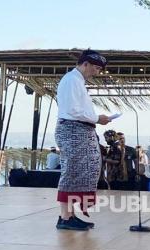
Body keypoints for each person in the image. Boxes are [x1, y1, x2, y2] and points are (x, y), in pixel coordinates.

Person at [55, 49, 111, 231]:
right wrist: (96, 118)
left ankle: (69, 215)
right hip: (72, 130)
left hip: (79, 131)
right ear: (84, 64)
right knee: (72, 172)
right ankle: (65, 217)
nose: (97, 73)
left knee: (82, 171)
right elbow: (73, 110)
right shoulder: (72, 80)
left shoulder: (76, 81)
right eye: (95, 68)